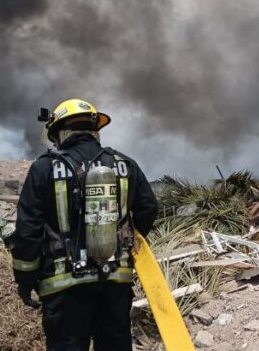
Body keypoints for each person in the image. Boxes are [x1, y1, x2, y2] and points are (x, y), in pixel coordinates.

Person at [12, 98, 158, 351]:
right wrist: (125, 242)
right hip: (114, 282)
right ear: (95, 129)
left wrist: (25, 281)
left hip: (63, 288)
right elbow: (148, 208)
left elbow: (28, 232)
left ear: (58, 132)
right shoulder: (124, 164)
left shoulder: (44, 168)